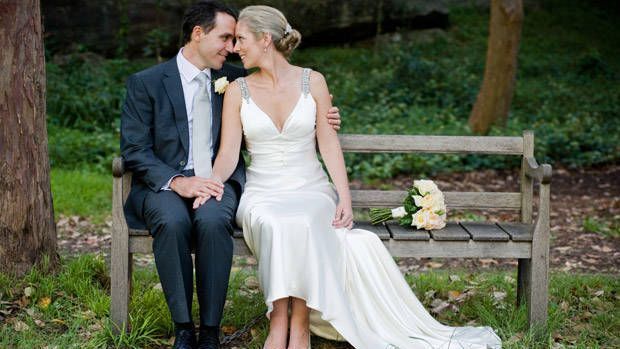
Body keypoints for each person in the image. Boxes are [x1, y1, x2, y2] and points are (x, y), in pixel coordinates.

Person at [198, 5, 503, 349]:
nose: (235, 47)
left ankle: (298, 324)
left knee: (307, 219)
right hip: (263, 191)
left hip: (310, 186)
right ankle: (278, 319)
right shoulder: (238, 90)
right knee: (275, 222)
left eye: (240, 39)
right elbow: (227, 154)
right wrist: (210, 183)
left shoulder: (313, 81)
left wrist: (344, 197)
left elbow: (328, 145)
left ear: (265, 39)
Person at [120, 2, 341, 348]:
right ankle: (183, 328)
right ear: (198, 34)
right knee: (172, 221)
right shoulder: (146, 83)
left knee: (211, 221)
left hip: (217, 180)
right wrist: (178, 182)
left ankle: (209, 330)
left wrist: (328, 116)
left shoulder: (238, 80)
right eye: (225, 38)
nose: (232, 48)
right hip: (164, 184)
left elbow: (286, 89)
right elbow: (134, 149)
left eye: (236, 39)